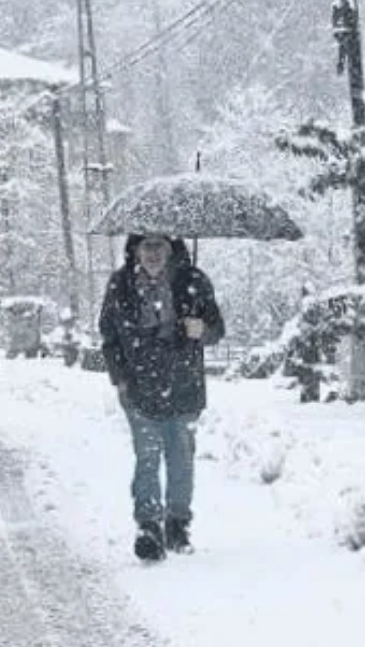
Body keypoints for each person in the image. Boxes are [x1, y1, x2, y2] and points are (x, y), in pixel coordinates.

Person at [98, 233, 225, 561]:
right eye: (146, 246)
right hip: (139, 388)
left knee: (180, 457)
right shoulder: (120, 285)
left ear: (171, 249)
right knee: (148, 457)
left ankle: (178, 524)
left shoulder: (193, 281)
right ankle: (149, 525)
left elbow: (216, 329)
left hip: (184, 386)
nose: (153, 253)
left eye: (160, 246)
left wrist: (202, 329)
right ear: (135, 250)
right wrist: (121, 379)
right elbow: (108, 337)